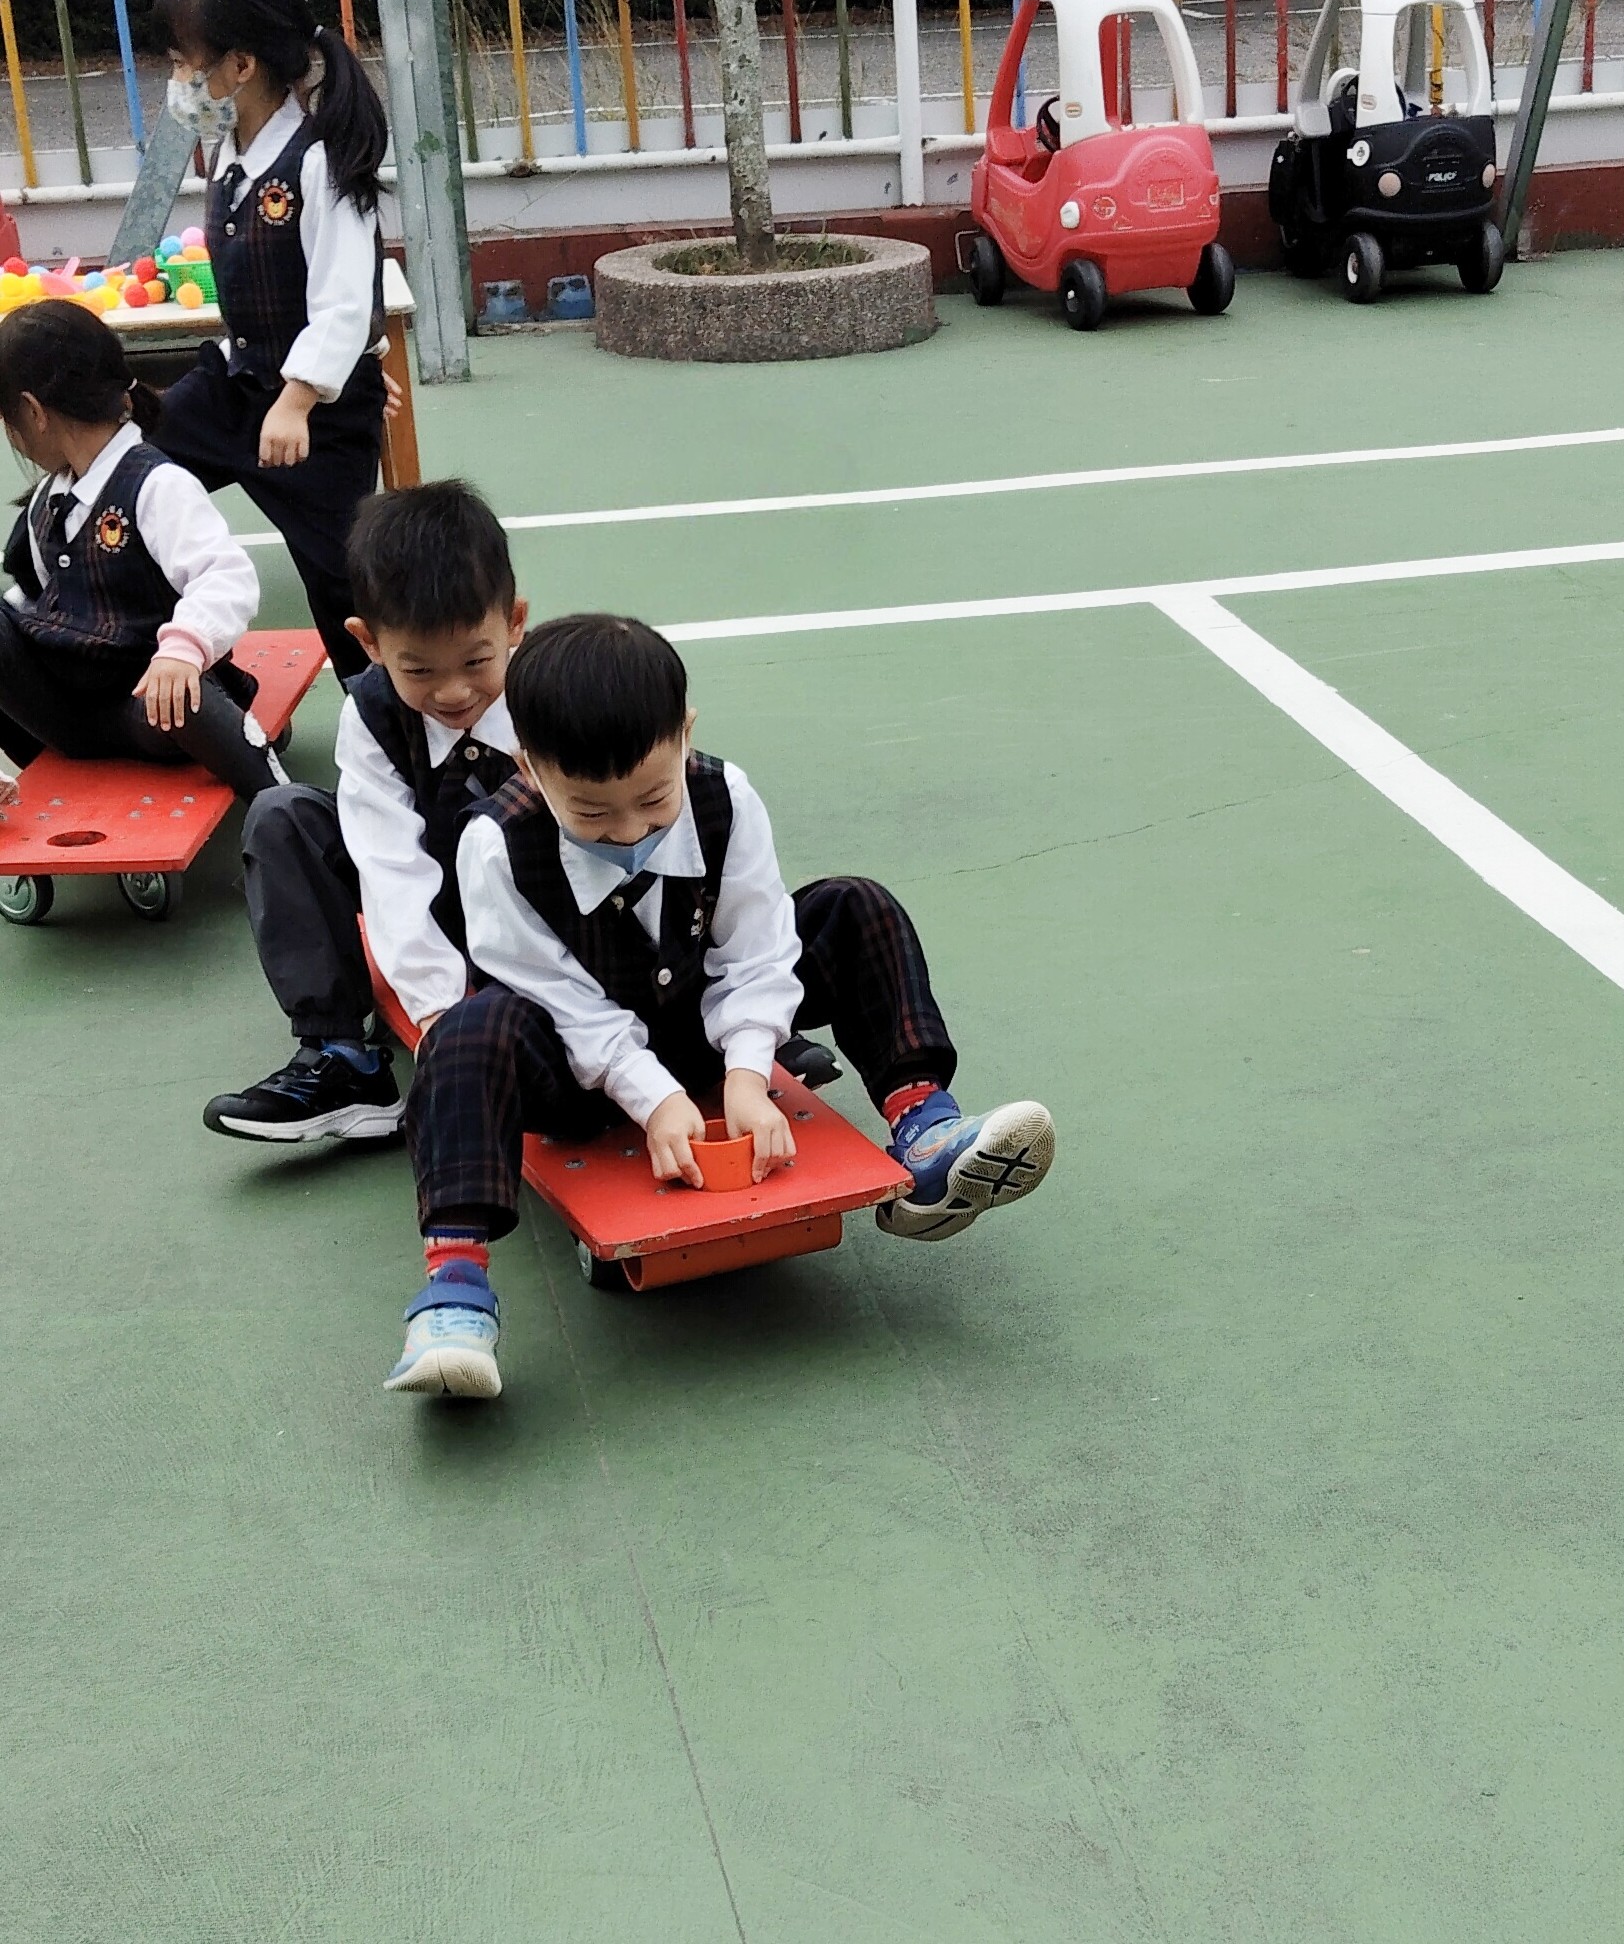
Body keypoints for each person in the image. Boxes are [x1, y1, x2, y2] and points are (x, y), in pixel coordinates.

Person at [390, 613, 1058, 1400]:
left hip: (701, 1027)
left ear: (685, 732)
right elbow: (560, 1001)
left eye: (653, 798)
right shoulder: (495, 846)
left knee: (853, 908)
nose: (628, 830)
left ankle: (925, 1134)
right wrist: (655, 1099)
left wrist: (747, 1072)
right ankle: (456, 1291)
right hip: (577, 1072)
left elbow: (759, 947)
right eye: (592, 814)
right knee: (468, 1029)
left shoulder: (725, 797)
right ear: (529, 768)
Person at [203, 480, 526, 1144]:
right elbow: (389, 867)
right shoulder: (373, 716)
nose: (454, 691)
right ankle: (342, 1058)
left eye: (476, 660)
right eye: (420, 670)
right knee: (282, 815)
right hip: (432, 893)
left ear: (514, 623)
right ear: (370, 641)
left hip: (540, 909)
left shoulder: (549, 693)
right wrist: (438, 1017)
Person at [151, 0, 391, 687]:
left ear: (240, 65)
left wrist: (310, 392)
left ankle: (394, 713)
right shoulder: (232, 151)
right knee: (127, 476)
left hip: (308, 419)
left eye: (184, 64)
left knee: (345, 584)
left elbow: (345, 298)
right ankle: (192, 672)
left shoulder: (320, 161)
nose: (177, 83)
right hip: (238, 388)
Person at [0, 299, 286, 803]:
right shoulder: (49, 498)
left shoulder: (156, 485)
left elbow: (226, 578)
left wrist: (182, 650)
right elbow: (34, 600)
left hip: (147, 710)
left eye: (8, 420)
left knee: (186, 699)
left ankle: (278, 795)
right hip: (72, 714)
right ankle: (26, 782)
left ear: (34, 412)